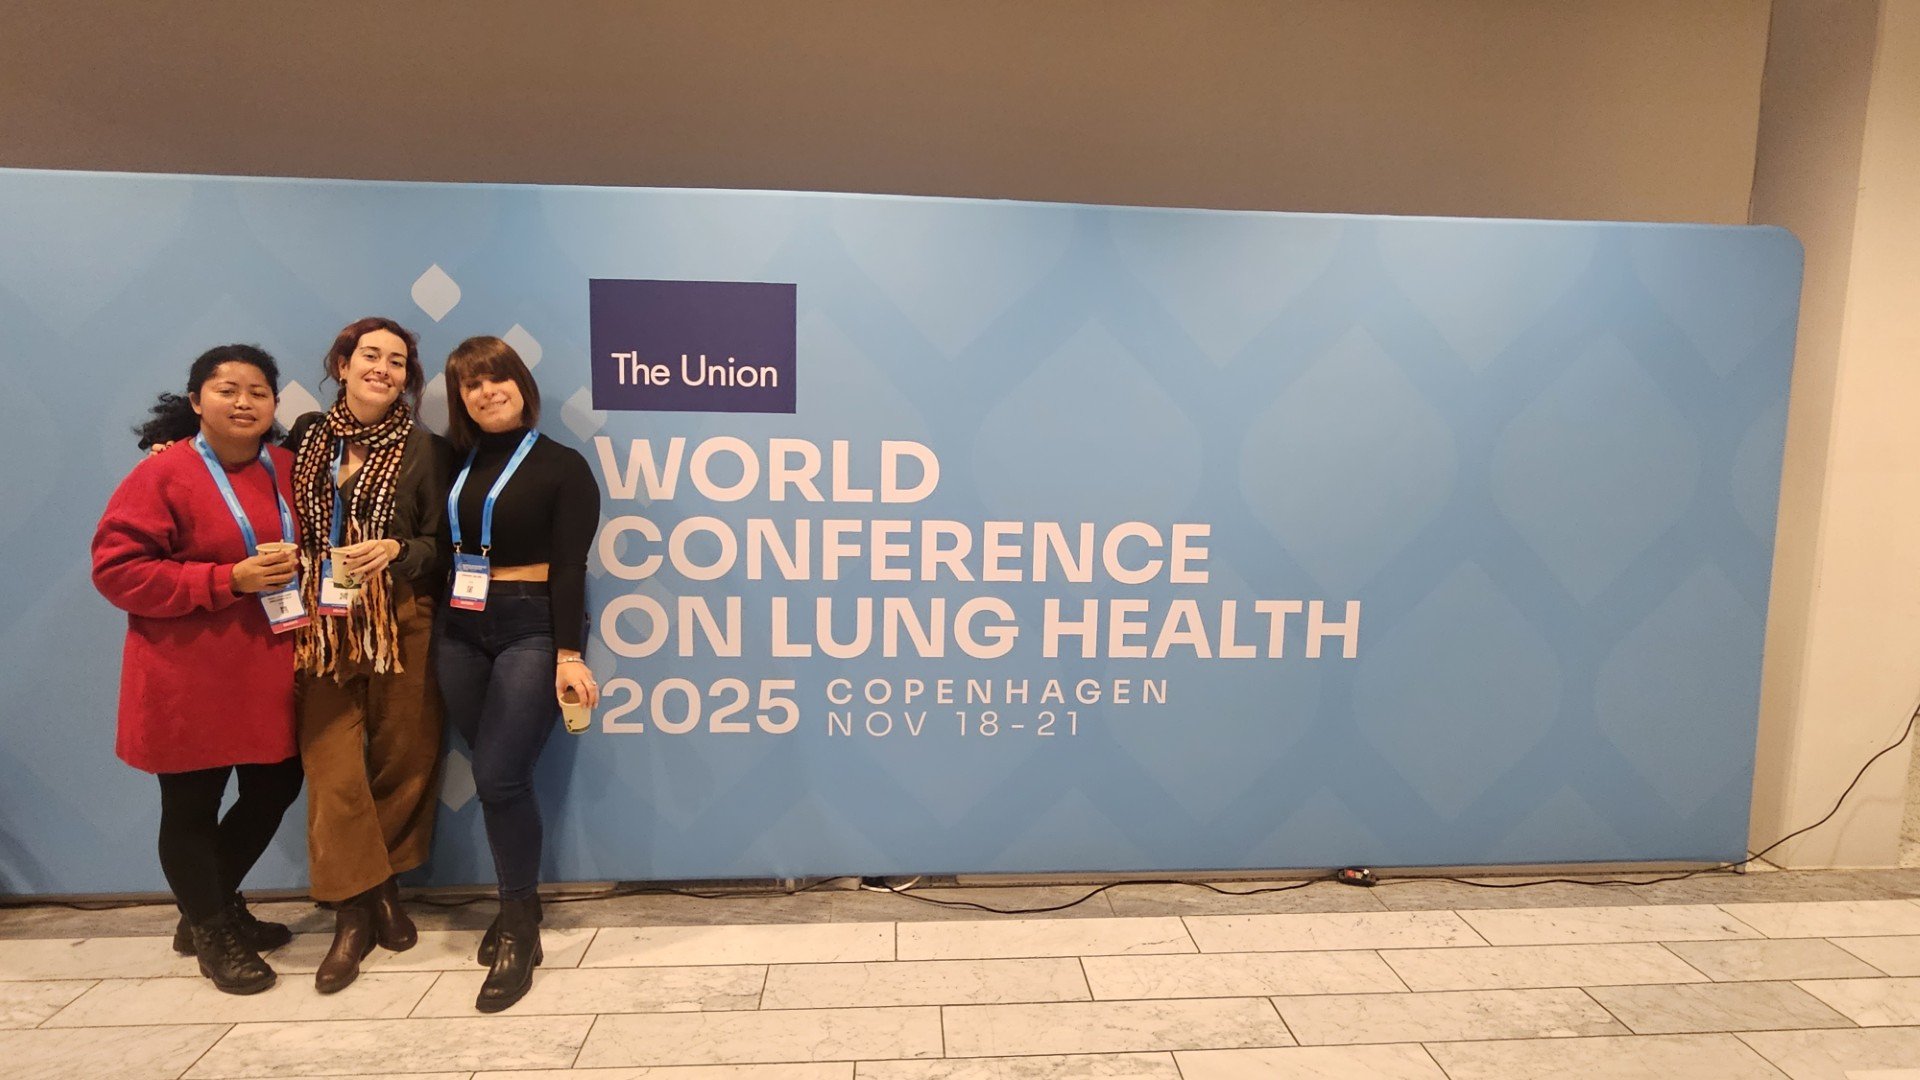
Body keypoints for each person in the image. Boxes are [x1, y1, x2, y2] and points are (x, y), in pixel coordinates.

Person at [93, 345, 306, 995]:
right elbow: (117, 571)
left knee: (276, 786)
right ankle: (212, 931)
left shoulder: (287, 468)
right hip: (186, 674)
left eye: (258, 392)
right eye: (226, 389)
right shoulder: (164, 474)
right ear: (195, 401)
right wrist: (226, 579)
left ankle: (205, 905)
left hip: (268, 667)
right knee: (191, 806)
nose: (243, 402)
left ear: (274, 405)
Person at [434, 335, 599, 1012]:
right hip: (459, 628)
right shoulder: (455, 462)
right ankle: (518, 906)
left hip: (532, 625)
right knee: (494, 775)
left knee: (501, 776)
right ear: (460, 399)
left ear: (521, 385)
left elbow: (571, 568)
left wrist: (569, 653)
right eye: (471, 384)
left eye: (497, 377)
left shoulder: (564, 466)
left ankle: (519, 927)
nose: (486, 391)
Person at [288, 317, 452, 993]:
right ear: (343, 364)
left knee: (405, 756)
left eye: (397, 360)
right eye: (370, 355)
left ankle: (381, 889)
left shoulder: (426, 449)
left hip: (401, 617)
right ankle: (358, 909)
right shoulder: (305, 438)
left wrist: (398, 550)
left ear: (408, 378)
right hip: (322, 625)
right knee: (332, 768)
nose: (383, 368)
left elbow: (442, 545)